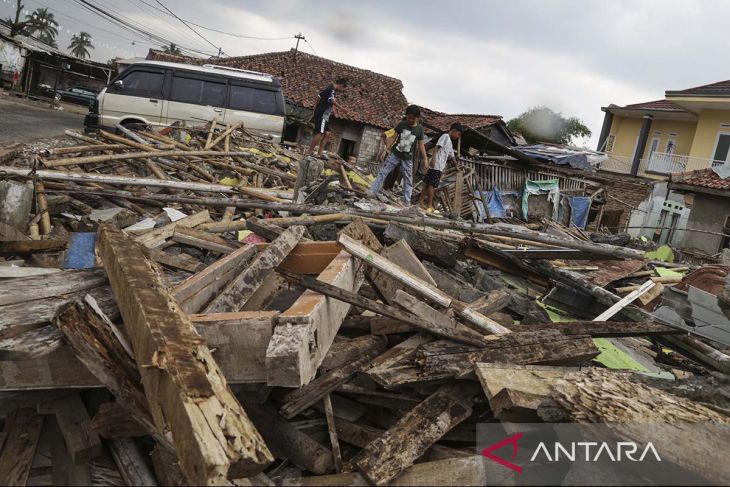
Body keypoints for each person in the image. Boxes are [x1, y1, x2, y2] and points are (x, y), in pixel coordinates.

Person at [370, 105, 427, 205]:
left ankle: (406, 202)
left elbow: (421, 145)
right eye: (408, 117)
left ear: (417, 118)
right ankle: (372, 192)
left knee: (408, 180)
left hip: (408, 158)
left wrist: (425, 159)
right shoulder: (401, 125)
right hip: (395, 154)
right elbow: (393, 138)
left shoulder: (419, 130)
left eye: (412, 118)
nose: (410, 120)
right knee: (383, 172)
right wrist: (385, 150)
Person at [418, 122, 463, 211]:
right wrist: (433, 159)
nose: (458, 137)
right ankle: (429, 204)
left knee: (427, 184)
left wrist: (457, 167)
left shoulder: (449, 142)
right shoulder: (445, 136)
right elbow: (436, 147)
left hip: (438, 166)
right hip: (436, 165)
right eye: (458, 134)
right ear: (454, 130)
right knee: (432, 185)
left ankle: (420, 201)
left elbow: (452, 157)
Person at [308, 77, 348, 155]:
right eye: (343, 89)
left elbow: (319, 96)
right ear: (341, 85)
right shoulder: (331, 89)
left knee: (327, 133)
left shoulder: (329, 88)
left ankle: (320, 153)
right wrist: (342, 108)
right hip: (322, 114)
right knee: (320, 132)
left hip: (325, 114)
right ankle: (309, 151)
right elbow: (331, 100)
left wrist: (315, 107)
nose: (342, 91)